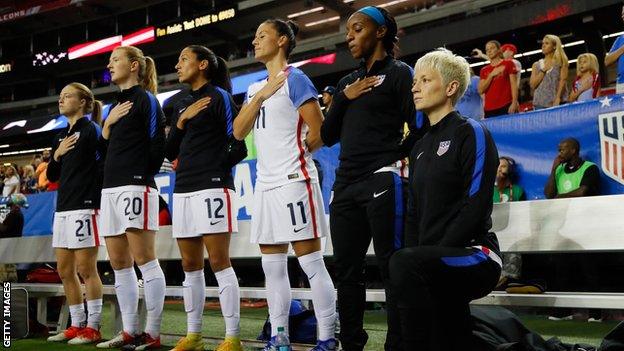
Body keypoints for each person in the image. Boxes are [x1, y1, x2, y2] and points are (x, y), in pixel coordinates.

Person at [320, 6, 425, 350]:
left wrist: (391, 157)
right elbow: (327, 133)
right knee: (346, 273)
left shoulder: (399, 74)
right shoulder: (347, 83)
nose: (349, 36)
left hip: (382, 179)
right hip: (345, 185)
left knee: (391, 267)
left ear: (379, 33)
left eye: (357, 29)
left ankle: (397, 344)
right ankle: (351, 343)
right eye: (348, 30)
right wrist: (342, 100)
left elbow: (419, 127)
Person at [233, 18, 337, 351]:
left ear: (281, 41)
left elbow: (320, 130)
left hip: (294, 182)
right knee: (272, 266)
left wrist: (299, 156)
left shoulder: (297, 78)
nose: (255, 41)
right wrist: (262, 94)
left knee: (311, 264)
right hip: (264, 186)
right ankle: (280, 337)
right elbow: (238, 131)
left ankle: (326, 338)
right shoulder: (254, 89)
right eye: (254, 35)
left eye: (261, 35)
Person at [390, 48, 501, 351]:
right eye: (415, 81)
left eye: (425, 79)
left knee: (405, 264)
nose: (415, 87)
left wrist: (428, 254)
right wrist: (422, 254)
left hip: (475, 253)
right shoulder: (419, 146)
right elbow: (413, 213)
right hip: (432, 259)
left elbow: (476, 205)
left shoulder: (472, 131)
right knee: (449, 334)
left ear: (451, 88)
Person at [165, 45, 245, 351]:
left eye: (183, 59)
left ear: (202, 65)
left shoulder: (221, 97)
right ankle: (194, 336)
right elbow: (170, 151)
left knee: (219, 261)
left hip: (213, 187)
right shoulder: (179, 104)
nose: (177, 65)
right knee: (189, 264)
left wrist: (215, 169)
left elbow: (238, 144)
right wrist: (182, 122)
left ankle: (233, 337)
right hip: (183, 189)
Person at [95, 46, 166, 350]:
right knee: (119, 263)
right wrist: (108, 126)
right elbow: (102, 152)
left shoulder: (147, 100)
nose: (109, 65)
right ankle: (130, 331)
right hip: (109, 189)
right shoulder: (114, 106)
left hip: (136, 186)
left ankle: (152, 332)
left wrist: (139, 175)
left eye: (115, 60)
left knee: (145, 260)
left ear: (134, 65)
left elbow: (157, 144)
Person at [45, 82, 105, 345]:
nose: (61, 100)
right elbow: (51, 176)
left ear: (82, 102)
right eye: (60, 95)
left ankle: (93, 327)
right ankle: (76, 324)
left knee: (86, 268)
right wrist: (56, 155)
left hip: (84, 206)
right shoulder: (59, 135)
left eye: (67, 95)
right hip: (63, 209)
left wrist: (95, 200)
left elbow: (103, 167)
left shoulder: (92, 130)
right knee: (64, 269)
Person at [478, 40, 519, 117]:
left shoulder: (508, 64)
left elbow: (514, 85)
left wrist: (514, 102)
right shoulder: (484, 70)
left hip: (506, 105)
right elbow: (480, 90)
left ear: (499, 50)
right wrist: (491, 75)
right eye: (487, 50)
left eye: (492, 48)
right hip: (489, 110)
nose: (489, 51)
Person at [529, 34, 569, 109]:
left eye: (547, 43)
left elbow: (562, 80)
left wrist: (558, 98)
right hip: (540, 104)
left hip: (557, 102)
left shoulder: (561, 62)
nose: (543, 45)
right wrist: (543, 70)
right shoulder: (536, 65)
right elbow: (533, 85)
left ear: (554, 46)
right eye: (543, 43)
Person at [605, 4, 624, 94]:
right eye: (622, 14)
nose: (623, 16)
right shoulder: (620, 39)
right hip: (622, 83)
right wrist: (622, 49)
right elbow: (607, 61)